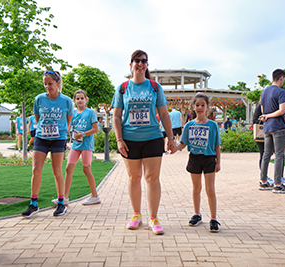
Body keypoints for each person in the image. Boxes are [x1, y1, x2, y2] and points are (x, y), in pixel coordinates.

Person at [111, 50, 175, 235]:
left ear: (147, 65)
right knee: (134, 177)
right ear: (130, 64)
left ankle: (153, 218)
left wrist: (171, 139)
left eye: (144, 61)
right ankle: (136, 215)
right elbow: (116, 116)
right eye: (137, 61)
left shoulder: (154, 87)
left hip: (152, 138)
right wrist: (119, 139)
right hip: (129, 139)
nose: (140, 64)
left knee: (152, 179)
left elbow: (163, 114)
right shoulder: (122, 88)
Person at [21, 70, 74, 218]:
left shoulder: (67, 101)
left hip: (58, 138)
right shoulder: (39, 99)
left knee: (57, 171)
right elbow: (37, 118)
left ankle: (61, 202)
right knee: (36, 170)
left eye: (50, 83)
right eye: (45, 84)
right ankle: (33, 204)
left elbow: (68, 120)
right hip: (41, 138)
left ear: (57, 83)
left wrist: (62, 132)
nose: (47, 86)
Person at [175, 93, 221, 232]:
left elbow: (217, 145)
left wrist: (218, 162)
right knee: (196, 188)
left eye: (203, 105)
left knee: (210, 189)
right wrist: (175, 148)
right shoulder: (189, 125)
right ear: (193, 107)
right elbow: (183, 143)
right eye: (197, 105)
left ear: (207, 107)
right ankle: (197, 214)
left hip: (208, 159)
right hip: (194, 158)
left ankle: (213, 219)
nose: (200, 107)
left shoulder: (213, 125)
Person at [52, 89, 100, 207]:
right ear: (74, 101)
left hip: (86, 145)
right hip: (76, 144)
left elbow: (95, 129)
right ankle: (65, 198)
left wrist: (82, 134)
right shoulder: (73, 113)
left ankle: (95, 196)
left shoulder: (90, 112)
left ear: (86, 99)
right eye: (77, 99)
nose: (80, 100)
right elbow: (68, 127)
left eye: (82, 98)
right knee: (68, 168)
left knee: (86, 169)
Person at [258, 69, 285, 194]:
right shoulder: (281, 91)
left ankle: (263, 181)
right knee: (279, 155)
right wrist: (275, 116)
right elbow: (282, 110)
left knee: (266, 154)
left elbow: (264, 111)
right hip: (278, 127)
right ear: (281, 78)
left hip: (267, 127)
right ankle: (277, 184)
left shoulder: (264, 92)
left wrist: (268, 116)